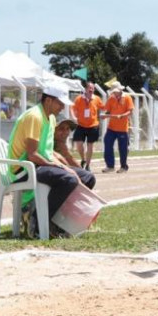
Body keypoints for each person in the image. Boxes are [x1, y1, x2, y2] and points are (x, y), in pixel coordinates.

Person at [9, 84, 96, 238]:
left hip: (37, 165)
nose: (62, 107)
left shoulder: (51, 118)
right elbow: (32, 155)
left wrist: (65, 165)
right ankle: (36, 222)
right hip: (23, 169)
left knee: (87, 177)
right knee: (68, 179)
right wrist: (61, 167)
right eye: (60, 103)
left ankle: (60, 221)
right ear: (48, 100)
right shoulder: (34, 116)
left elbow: (48, 152)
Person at [101, 82, 134, 173]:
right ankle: (110, 166)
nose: (114, 93)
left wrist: (122, 115)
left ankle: (123, 167)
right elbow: (108, 111)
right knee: (107, 143)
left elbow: (130, 111)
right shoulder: (111, 98)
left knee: (123, 148)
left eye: (115, 91)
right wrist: (105, 115)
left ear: (120, 90)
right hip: (111, 127)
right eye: (113, 91)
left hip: (123, 128)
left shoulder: (127, 97)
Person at [71, 82, 103, 171]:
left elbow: (103, 107)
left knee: (90, 145)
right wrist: (73, 117)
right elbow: (72, 108)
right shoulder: (79, 99)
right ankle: (83, 159)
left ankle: (88, 165)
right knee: (79, 144)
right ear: (85, 89)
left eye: (92, 88)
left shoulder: (97, 99)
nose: (91, 90)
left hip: (93, 125)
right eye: (89, 88)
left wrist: (106, 113)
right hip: (81, 125)